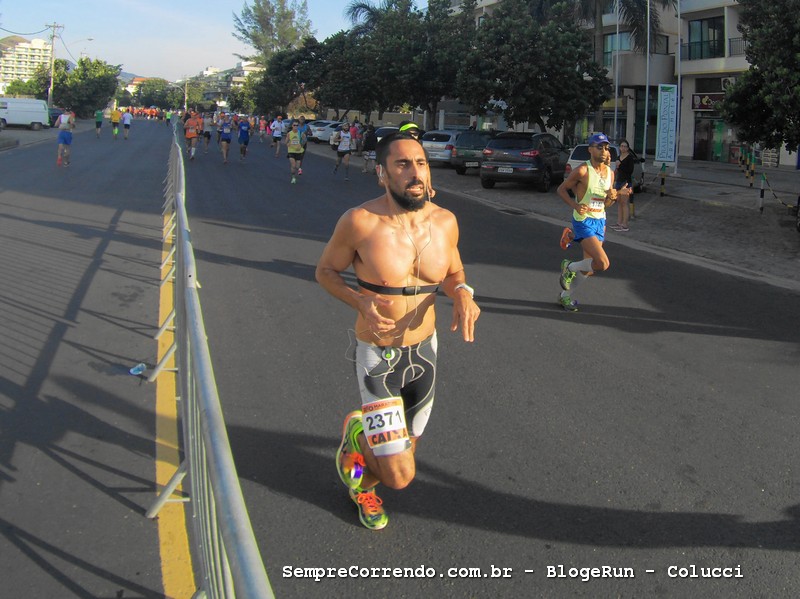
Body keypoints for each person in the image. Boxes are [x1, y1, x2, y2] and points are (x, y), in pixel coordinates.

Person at [315, 131, 481, 530]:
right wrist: (360, 301)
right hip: (379, 354)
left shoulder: (446, 222)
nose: (415, 172)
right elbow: (325, 271)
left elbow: (454, 270)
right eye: (402, 164)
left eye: (420, 163)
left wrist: (461, 291)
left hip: (425, 351)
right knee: (400, 474)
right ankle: (357, 441)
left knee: (404, 450)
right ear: (381, 173)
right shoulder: (360, 221)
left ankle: (359, 486)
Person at [556, 133, 631, 312]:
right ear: (590, 149)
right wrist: (575, 204)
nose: (604, 151)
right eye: (599, 147)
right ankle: (569, 266)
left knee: (590, 268)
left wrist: (613, 197)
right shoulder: (582, 170)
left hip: (600, 222)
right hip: (583, 221)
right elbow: (561, 189)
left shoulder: (610, 174)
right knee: (603, 263)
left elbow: (606, 204)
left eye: (606, 147)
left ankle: (564, 297)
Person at [611, 139, 635, 232]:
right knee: (619, 203)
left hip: (626, 182)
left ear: (628, 148)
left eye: (625, 146)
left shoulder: (630, 158)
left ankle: (625, 224)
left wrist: (620, 165)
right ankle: (619, 222)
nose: (623, 148)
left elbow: (630, 170)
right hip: (619, 181)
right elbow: (617, 170)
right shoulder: (618, 157)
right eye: (622, 146)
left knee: (624, 203)